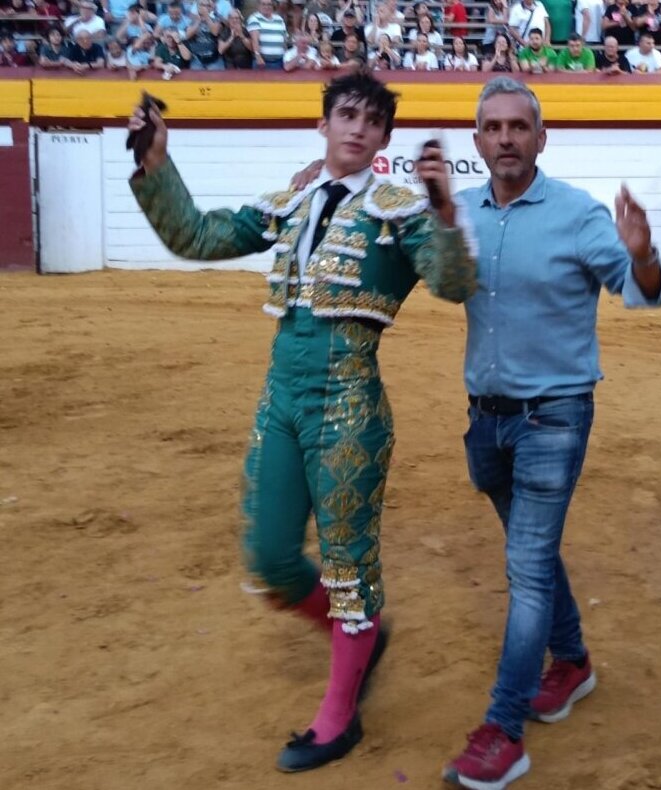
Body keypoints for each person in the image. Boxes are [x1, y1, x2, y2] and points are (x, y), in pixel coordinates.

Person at [126, 72, 478, 774]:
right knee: (271, 563)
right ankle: (364, 637)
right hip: (281, 398)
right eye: (346, 114)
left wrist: (442, 211)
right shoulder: (290, 200)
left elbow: (451, 283)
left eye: (372, 121)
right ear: (324, 124)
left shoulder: (398, 208)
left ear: (382, 139)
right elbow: (199, 237)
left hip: (349, 401)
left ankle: (337, 716)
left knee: (349, 567)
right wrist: (155, 164)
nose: (357, 128)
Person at [441, 76, 661, 790]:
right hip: (486, 419)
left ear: (542, 138)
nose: (506, 137)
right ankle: (570, 662)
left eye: (519, 126)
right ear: (478, 140)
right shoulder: (464, 216)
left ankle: (503, 729)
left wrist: (640, 253)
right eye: (493, 127)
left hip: (555, 416)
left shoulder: (578, 214)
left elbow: (647, 293)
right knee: (530, 554)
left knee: (527, 567)